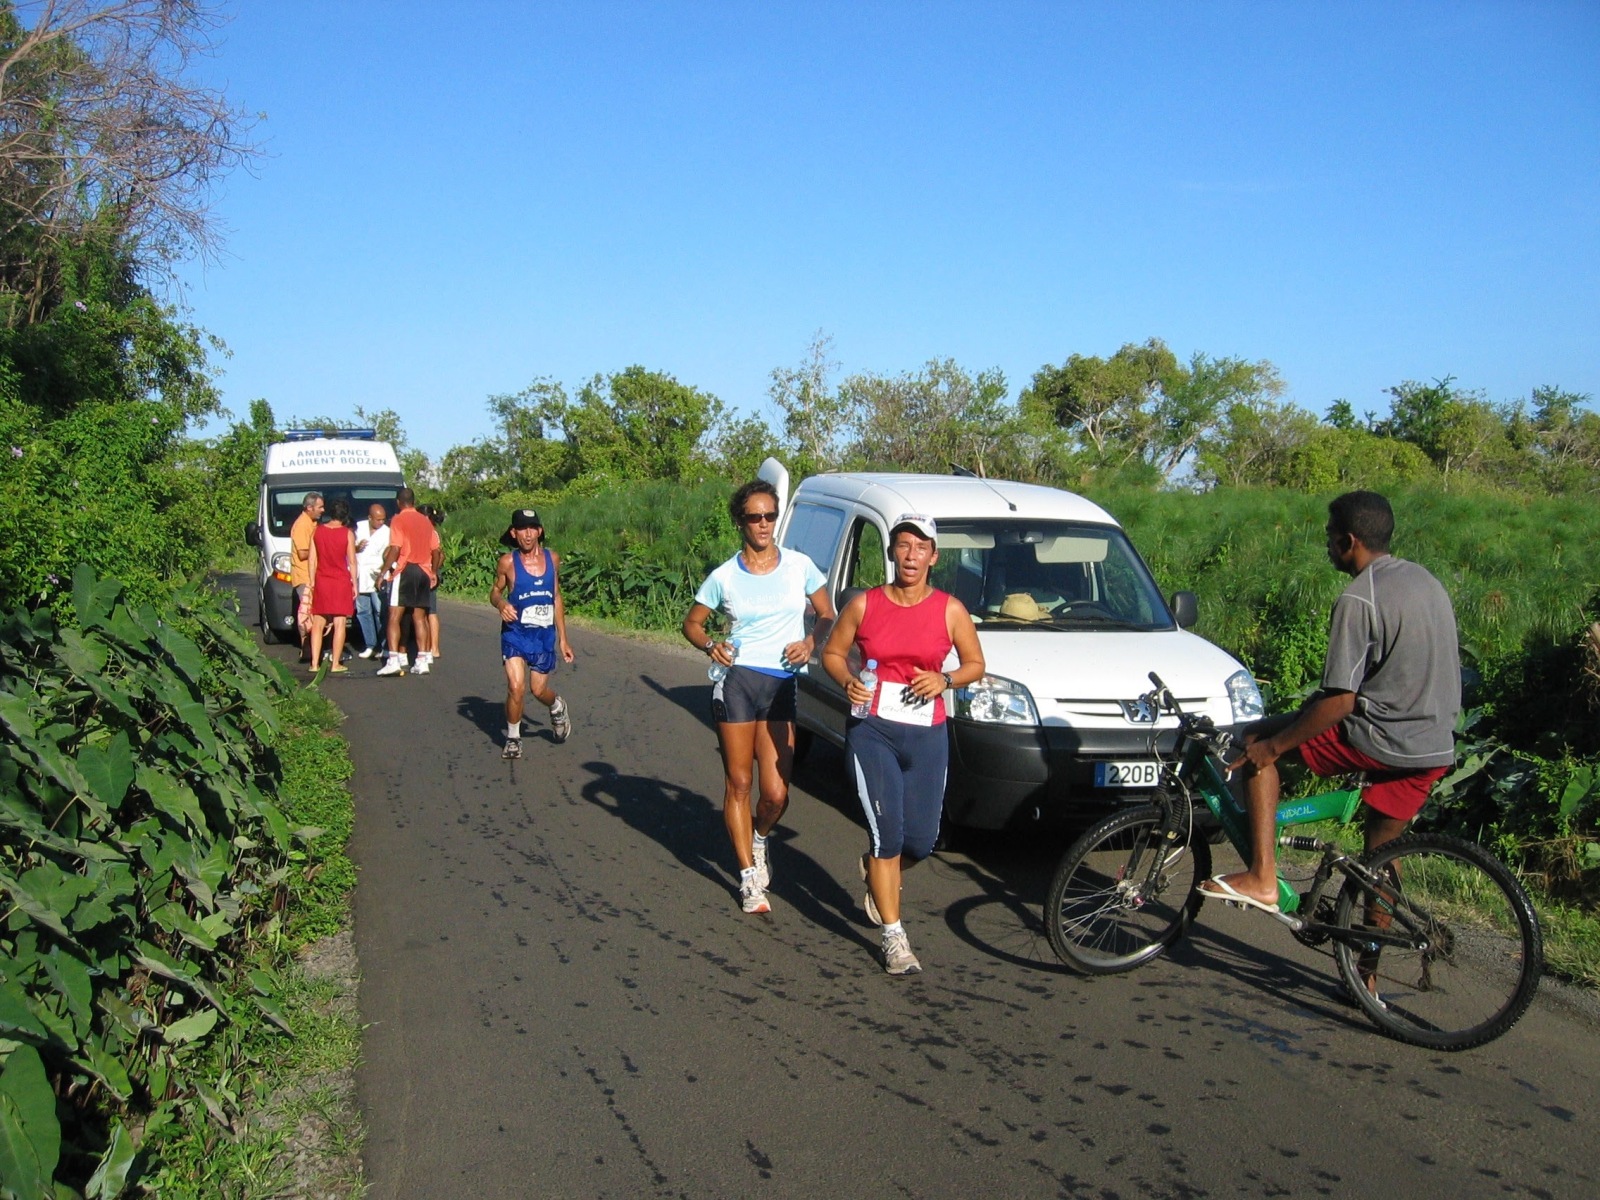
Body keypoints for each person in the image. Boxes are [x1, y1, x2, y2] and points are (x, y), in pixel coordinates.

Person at [1200, 491, 1461, 938]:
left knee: (1256, 744)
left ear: (1349, 541)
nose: (1326, 544)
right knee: (1381, 854)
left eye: (1329, 536)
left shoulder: (1359, 598)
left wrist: (1273, 746)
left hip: (1381, 737)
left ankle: (1262, 877)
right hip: (1433, 744)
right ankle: (1368, 965)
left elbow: (1341, 702)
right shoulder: (1425, 581)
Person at [821, 514, 985, 974]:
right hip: (873, 730)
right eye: (904, 546)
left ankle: (877, 866)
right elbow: (832, 653)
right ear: (892, 552)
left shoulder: (950, 610)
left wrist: (945, 679)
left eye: (921, 547)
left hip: (927, 734)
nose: (911, 555)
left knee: (921, 842)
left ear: (934, 557)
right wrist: (848, 681)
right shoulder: (864, 604)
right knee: (888, 835)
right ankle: (895, 939)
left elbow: (975, 664)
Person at [683, 481, 837, 916]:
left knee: (775, 795)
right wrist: (710, 644)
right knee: (740, 784)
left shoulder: (800, 566)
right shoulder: (724, 576)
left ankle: (760, 837)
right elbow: (692, 623)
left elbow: (826, 614)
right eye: (755, 517)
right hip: (737, 681)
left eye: (770, 515)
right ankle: (748, 877)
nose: (764, 524)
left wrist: (810, 643)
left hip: (781, 684)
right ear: (741, 522)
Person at [490, 508, 575, 755]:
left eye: (532, 529)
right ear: (513, 533)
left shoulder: (553, 559)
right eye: (522, 529)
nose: (527, 535)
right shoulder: (507, 562)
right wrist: (501, 604)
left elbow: (556, 596)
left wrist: (563, 639)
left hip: (543, 636)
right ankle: (513, 738)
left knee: (538, 690)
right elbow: (495, 591)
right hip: (515, 634)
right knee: (516, 687)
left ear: (539, 531)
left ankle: (556, 706)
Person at [375, 488, 439, 677]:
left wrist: (383, 572)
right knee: (420, 617)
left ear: (398, 502)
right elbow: (436, 551)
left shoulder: (398, 519)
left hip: (406, 569)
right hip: (424, 571)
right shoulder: (425, 521)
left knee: (394, 615)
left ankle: (393, 660)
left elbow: (395, 548)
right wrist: (433, 572)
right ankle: (422, 660)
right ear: (414, 501)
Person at [308, 498, 359, 672]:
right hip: (340, 581)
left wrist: (312, 581)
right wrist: (355, 584)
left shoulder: (317, 531)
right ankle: (335, 663)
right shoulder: (347, 534)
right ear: (345, 515)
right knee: (340, 623)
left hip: (322, 579)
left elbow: (312, 559)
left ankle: (314, 663)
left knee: (318, 622)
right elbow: (352, 561)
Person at [352, 503, 391, 657]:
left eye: (383, 519)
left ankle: (384, 646)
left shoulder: (387, 532)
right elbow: (349, 547)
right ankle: (370, 644)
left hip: (377, 576)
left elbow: (390, 554)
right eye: (378, 519)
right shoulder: (358, 528)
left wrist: (382, 571)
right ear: (370, 518)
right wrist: (356, 548)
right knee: (363, 611)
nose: (381, 522)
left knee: (380, 611)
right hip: (360, 575)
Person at [289, 491, 324, 662]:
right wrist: (323, 547)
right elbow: (303, 553)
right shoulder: (302, 525)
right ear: (309, 508)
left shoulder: (313, 523)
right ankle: (307, 649)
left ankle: (313, 649)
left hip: (314, 575)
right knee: (306, 614)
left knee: (315, 613)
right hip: (304, 576)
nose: (322, 510)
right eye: (320, 507)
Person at [420, 504, 446, 660]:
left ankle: (432, 647)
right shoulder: (433, 531)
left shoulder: (429, 532)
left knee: (427, 612)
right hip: (430, 572)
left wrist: (433, 571)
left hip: (428, 573)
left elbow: (439, 555)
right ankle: (432, 647)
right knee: (429, 612)